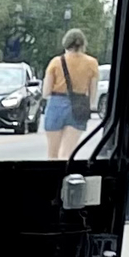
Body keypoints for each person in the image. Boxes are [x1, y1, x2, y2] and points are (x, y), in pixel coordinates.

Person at [43, 29, 99, 160]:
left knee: (52, 154)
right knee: (67, 154)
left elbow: (46, 92)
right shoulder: (92, 63)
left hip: (56, 104)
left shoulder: (56, 62)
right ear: (83, 44)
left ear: (66, 43)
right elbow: (93, 90)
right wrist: (91, 106)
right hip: (79, 106)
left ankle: (53, 178)